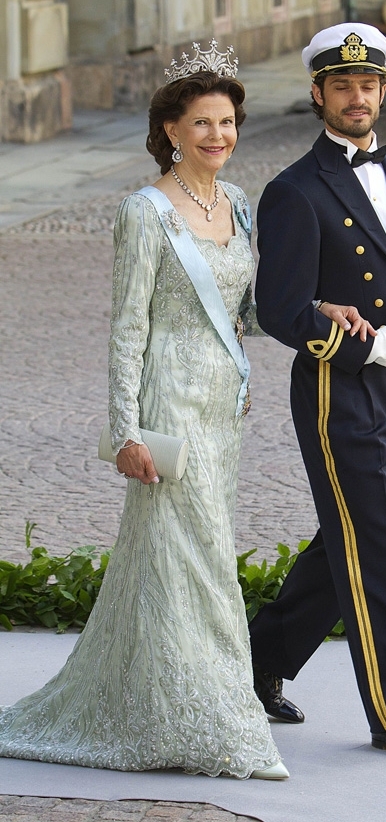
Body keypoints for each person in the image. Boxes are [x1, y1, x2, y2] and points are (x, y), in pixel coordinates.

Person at [0, 41, 292, 780]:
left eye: (227, 122)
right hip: (167, 405)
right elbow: (128, 328)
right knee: (193, 565)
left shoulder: (242, 205)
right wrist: (125, 430)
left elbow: (247, 313)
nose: (217, 136)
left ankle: (166, 701)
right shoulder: (145, 212)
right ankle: (213, 718)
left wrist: (321, 310)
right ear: (170, 131)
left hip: (223, 412)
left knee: (187, 559)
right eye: (202, 124)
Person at [249, 24, 386, 761]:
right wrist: (369, 345)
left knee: (352, 539)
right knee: (372, 553)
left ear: (382, 91)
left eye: (368, 85)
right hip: (338, 390)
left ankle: (257, 662)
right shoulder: (294, 192)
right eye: (342, 86)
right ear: (317, 93)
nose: (357, 96)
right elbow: (280, 310)